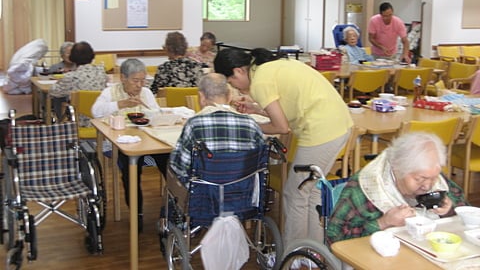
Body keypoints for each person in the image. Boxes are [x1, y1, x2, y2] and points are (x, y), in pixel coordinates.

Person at [214, 48, 353, 248]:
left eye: (230, 82)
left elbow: (281, 127)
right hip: (338, 123)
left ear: (238, 72)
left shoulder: (260, 82)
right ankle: (313, 249)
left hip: (322, 129)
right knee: (310, 190)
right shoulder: (268, 68)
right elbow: (285, 110)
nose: (233, 86)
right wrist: (255, 109)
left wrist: (249, 125)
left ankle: (293, 253)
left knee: (294, 193)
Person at [326, 132, 469, 246]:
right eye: (420, 179)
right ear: (397, 169)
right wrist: (383, 223)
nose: (428, 186)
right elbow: (334, 238)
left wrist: (450, 209)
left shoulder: (428, 171)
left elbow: (465, 209)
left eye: (433, 178)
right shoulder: (364, 188)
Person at [91, 58, 168, 232]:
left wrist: (149, 110)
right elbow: (95, 111)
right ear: (123, 78)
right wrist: (120, 103)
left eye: (143, 80)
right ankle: (137, 213)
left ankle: (173, 209)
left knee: (169, 161)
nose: (140, 85)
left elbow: (157, 113)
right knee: (131, 168)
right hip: (123, 142)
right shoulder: (110, 92)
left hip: (148, 139)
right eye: (135, 80)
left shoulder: (146, 92)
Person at [169, 72, 265, 183]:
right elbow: (261, 161)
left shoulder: (194, 125)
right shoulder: (250, 124)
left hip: (204, 193)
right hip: (243, 193)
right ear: (229, 95)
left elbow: (179, 166)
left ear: (202, 97)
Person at [49, 41, 107, 122]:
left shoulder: (72, 77)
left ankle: (58, 123)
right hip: (101, 119)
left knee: (59, 98)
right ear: (92, 56)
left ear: (72, 57)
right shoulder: (101, 72)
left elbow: (53, 91)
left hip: (78, 121)